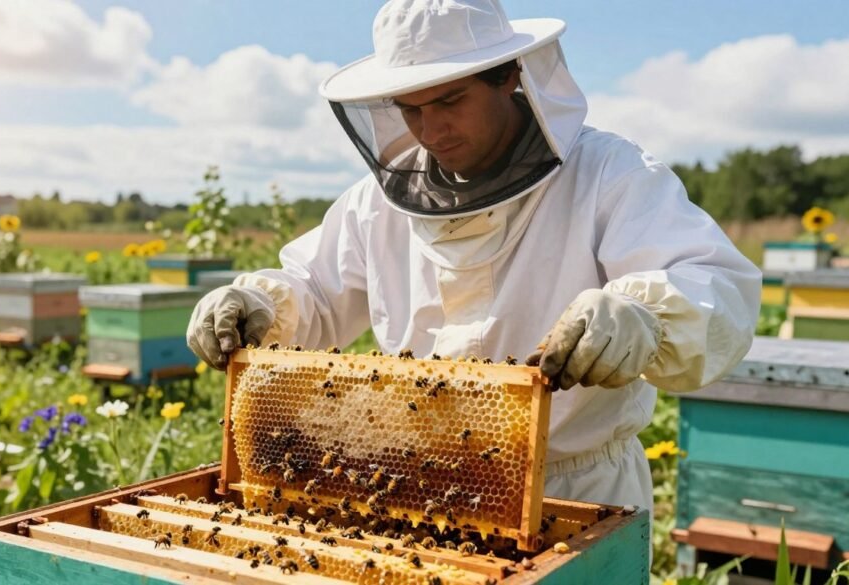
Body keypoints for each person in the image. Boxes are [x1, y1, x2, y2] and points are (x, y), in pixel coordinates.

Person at [187, 0, 761, 516]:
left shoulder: (610, 174)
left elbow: (713, 284)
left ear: (510, 76)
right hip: (419, 490)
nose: (429, 129)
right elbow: (313, 288)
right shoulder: (374, 205)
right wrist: (258, 301)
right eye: (409, 109)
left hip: (577, 489)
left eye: (450, 100)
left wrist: (647, 316)